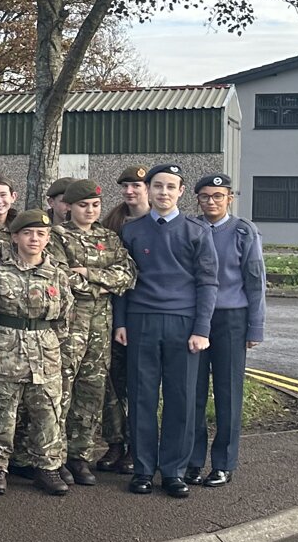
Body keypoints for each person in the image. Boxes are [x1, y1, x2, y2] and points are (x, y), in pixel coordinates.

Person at [116, 163, 217, 498]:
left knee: (181, 399)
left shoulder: (196, 231)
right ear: (148, 189)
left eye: (170, 187)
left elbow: (208, 282)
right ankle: (143, 469)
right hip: (141, 320)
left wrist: (202, 328)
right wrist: (120, 322)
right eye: (157, 186)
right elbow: (123, 283)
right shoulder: (132, 231)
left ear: (180, 192)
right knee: (142, 397)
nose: (163, 193)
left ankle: (173, 471)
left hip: (183, 325)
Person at [0, 210, 75, 496]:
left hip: (45, 351)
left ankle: (46, 467)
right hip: (6, 350)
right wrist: (0, 339)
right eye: (28, 233)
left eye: (41, 234)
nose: (34, 239)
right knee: (0, 413)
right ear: (15, 236)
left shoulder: (57, 275)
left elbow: (65, 318)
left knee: (47, 413)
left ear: (47, 239)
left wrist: (50, 342)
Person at [51, 179, 136, 486]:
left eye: (95, 205)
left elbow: (127, 275)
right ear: (69, 207)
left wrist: (88, 273)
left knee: (92, 392)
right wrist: (103, 283)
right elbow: (60, 277)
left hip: (100, 327)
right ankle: (55, 457)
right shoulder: (55, 237)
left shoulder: (108, 237)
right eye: (83, 205)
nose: (89, 211)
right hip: (68, 324)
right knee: (59, 392)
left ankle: (80, 456)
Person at [188, 173, 267, 487]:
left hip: (231, 318)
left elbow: (255, 280)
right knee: (192, 392)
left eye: (218, 196)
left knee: (227, 392)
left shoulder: (243, 231)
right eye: (205, 196)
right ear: (197, 198)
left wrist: (255, 327)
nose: (211, 202)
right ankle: (192, 461)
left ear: (229, 199)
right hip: (194, 319)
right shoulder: (190, 227)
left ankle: (223, 463)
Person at [96, 165, 152, 473]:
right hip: (114, 311)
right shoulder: (114, 222)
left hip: (147, 310)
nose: (130, 192)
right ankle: (115, 443)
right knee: (113, 384)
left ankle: (136, 445)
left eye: (137, 186)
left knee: (139, 384)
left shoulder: (159, 221)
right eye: (126, 186)